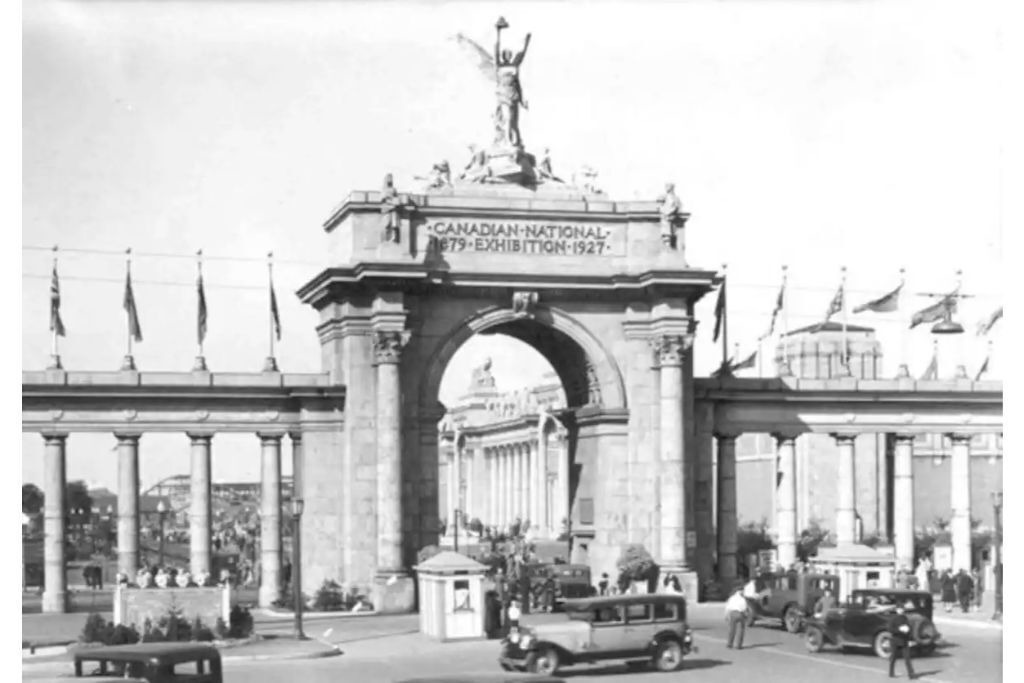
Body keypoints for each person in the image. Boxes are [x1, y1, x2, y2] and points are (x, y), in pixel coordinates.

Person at [888, 604, 917, 679]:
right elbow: (890, 629)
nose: (901, 610)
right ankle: (891, 672)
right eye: (899, 609)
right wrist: (899, 630)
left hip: (904, 641)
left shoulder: (905, 618)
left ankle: (911, 674)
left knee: (907, 658)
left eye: (902, 609)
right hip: (895, 640)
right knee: (893, 657)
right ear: (896, 610)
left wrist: (908, 632)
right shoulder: (893, 618)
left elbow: (909, 627)